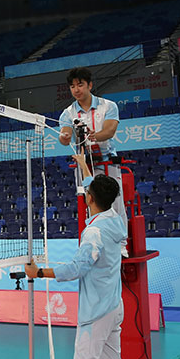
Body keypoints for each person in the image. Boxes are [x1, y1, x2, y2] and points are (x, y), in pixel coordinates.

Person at [25, 159, 129, 359]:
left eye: (87, 193)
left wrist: (38, 272)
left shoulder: (93, 232)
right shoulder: (116, 219)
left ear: (90, 199)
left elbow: (77, 268)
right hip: (115, 305)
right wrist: (85, 166)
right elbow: (94, 190)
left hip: (96, 312)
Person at [58, 66, 127, 256]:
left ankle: (121, 245)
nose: (76, 89)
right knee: (89, 205)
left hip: (107, 162)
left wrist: (93, 136)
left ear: (89, 85)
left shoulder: (108, 106)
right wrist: (64, 137)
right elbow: (65, 136)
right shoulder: (68, 113)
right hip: (84, 165)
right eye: (72, 86)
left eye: (80, 85)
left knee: (116, 204)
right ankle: (93, 245)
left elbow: (110, 131)